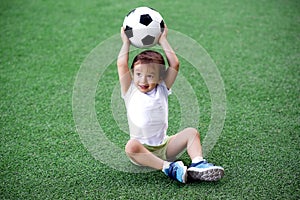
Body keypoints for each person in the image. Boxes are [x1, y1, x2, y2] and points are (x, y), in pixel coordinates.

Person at [117, 25, 224, 183]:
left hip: (165, 146)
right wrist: (126, 41)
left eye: (150, 75)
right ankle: (168, 168)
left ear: (160, 77)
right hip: (142, 151)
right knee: (130, 146)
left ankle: (198, 163)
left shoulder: (162, 88)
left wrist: (163, 40)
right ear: (132, 74)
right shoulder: (130, 91)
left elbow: (174, 64)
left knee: (192, 133)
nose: (143, 80)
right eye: (138, 74)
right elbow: (121, 64)